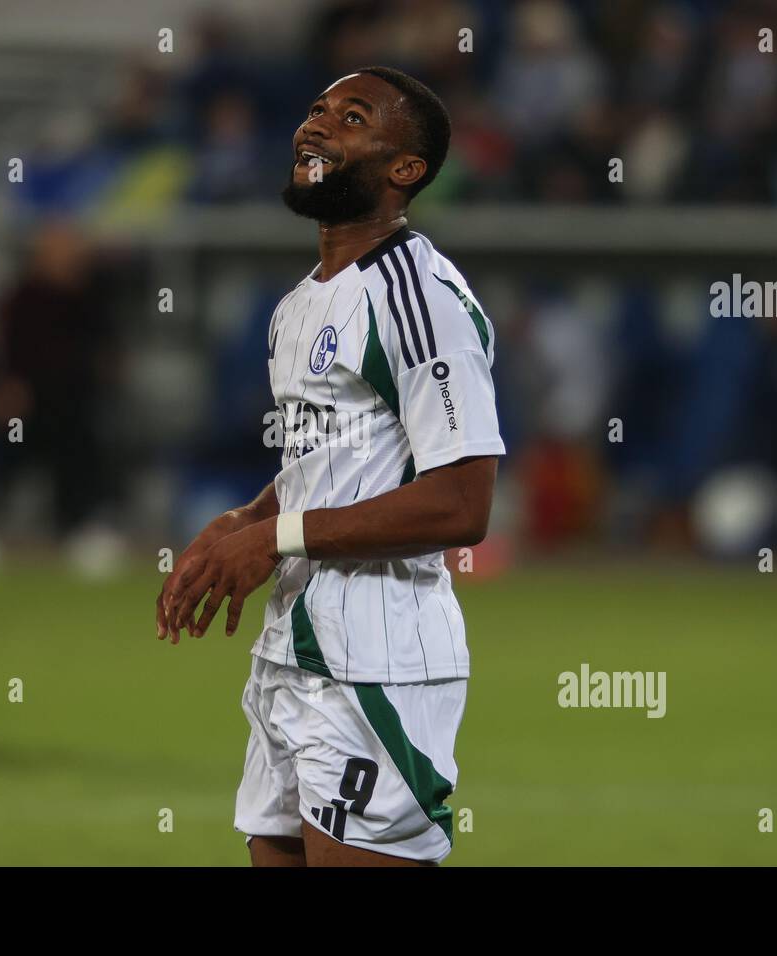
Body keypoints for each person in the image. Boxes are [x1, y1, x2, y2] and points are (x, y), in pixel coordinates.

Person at [156, 67, 504, 865]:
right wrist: (250, 518)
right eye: (315, 110)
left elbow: (461, 504)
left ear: (404, 169)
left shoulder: (420, 297)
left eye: (351, 118)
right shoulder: (297, 306)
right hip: (292, 647)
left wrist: (275, 538)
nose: (316, 127)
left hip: (379, 659)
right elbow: (338, 459)